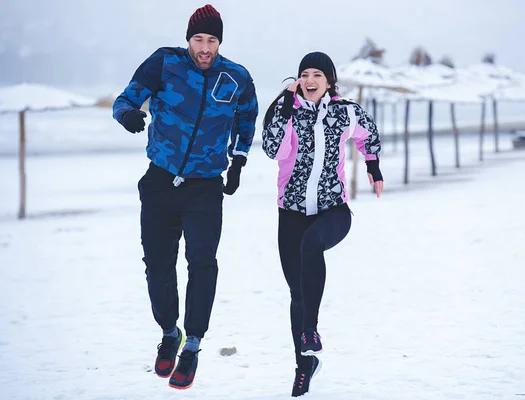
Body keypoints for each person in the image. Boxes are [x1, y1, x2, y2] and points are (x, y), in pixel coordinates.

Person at [112, 4, 258, 390]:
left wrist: (238, 162)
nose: (205, 47)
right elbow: (124, 99)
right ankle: (169, 331)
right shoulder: (165, 63)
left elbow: (247, 122)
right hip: (160, 181)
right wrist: (128, 116)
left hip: (206, 186)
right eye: (199, 39)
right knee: (157, 264)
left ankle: (192, 344)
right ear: (188, 39)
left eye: (212, 40)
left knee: (202, 262)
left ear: (220, 41)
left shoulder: (237, 77)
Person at [261, 51, 383, 397]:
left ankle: (310, 331)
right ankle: (305, 365)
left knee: (312, 244)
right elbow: (272, 150)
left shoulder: (345, 111)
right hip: (291, 213)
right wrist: (285, 111)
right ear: (298, 80)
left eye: (317, 73)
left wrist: (373, 166)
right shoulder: (287, 112)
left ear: (329, 80)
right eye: (305, 73)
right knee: (296, 294)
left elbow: (368, 134)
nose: (310, 79)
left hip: (334, 210)